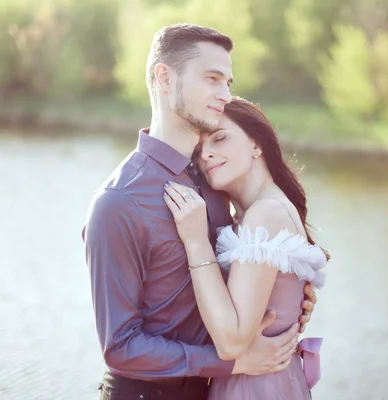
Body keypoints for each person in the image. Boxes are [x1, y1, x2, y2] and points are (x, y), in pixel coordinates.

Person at [82, 23, 318, 400]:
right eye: (212, 79)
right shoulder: (118, 202)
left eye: (227, 81)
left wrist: (284, 298)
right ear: (164, 78)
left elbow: (240, 275)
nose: (225, 94)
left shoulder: (213, 180)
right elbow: (120, 347)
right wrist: (230, 364)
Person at [163, 96, 328, 399]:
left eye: (220, 139)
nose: (207, 155)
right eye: (199, 150)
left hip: (255, 388)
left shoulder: (265, 214)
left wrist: (196, 241)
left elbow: (231, 343)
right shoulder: (261, 212)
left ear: (256, 144)